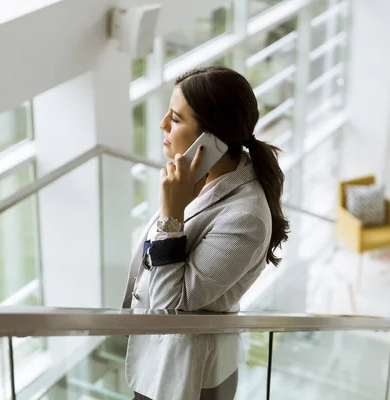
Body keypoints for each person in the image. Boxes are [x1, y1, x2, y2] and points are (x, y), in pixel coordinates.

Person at [122, 66, 289, 400]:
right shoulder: (194, 178)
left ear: (211, 139)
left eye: (176, 118)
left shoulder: (247, 218)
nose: (162, 125)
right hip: (160, 361)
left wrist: (172, 215)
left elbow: (172, 308)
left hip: (192, 377)